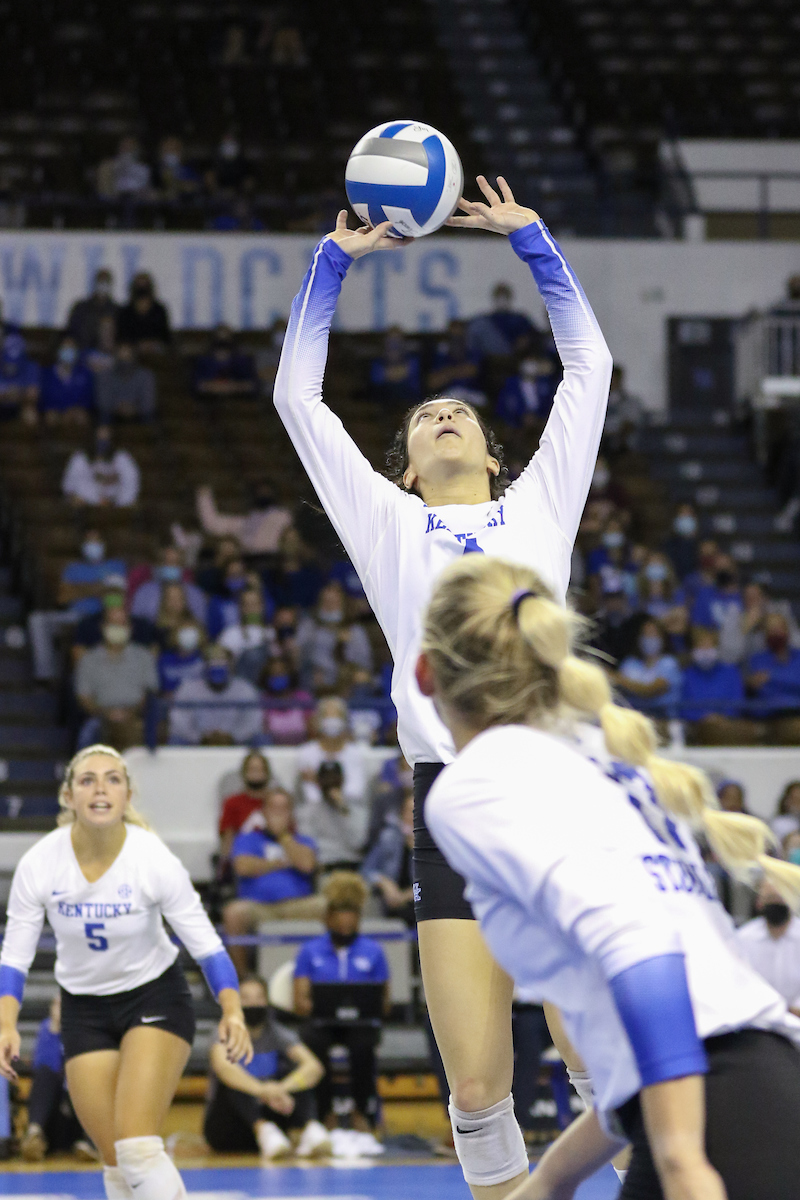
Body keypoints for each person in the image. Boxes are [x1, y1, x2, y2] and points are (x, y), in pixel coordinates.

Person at [273, 175, 612, 1197]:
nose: (443, 415)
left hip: (552, 787)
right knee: (473, 1085)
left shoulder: (540, 506)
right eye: (425, 417)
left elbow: (588, 366)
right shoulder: (387, 524)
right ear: (409, 470)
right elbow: (298, 400)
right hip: (448, 800)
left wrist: (535, 244)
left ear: (494, 459)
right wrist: (330, 267)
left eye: (458, 410)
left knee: (598, 1058)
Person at [416, 552, 800, 1199]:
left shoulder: (477, 783)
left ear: (424, 672)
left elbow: (640, 943)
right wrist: (553, 1179)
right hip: (760, 1086)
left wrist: (681, 1159)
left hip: (714, 1120)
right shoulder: (605, 757)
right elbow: (666, 1031)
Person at [0, 744, 251, 1200]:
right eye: (88, 780)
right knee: (115, 1163)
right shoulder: (40, 863)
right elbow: (15, 954)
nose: (100, 789)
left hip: (154, 998)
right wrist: (5, 1023)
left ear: (127, 795)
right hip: (84, 1010)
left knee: (137, 1149)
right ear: (68, 796)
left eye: (112, 779)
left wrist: (232, 1010)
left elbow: (207, 945)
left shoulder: (151, 858)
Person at [293, 873, 389, 1131]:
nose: (345, 919)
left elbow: (383, 1002)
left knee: (363, 1045)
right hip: (323, 1023)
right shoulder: (309, 951)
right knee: (313, 1041)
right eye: (339, 913)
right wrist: (322, 1006)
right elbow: (300, 1001)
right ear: (328, 916)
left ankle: (361, 1112)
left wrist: (366, 1007)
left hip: (359, 1024)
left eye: (351, 913)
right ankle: (324, 1113)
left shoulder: (374, 951)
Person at [204, 974, 331, 1159]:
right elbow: (224, 1068)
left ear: (267, 1001)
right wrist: (262, 1090)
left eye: (259, 998)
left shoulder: (277, 1033)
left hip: (275, 1122)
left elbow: (314, 1067)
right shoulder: (224, 1032)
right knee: (234, 1078)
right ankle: (262, 1129)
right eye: (246, 998)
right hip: (229, 1128)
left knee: (297, 1073)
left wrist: (282, 1088)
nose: (253, 1004)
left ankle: (311, 1128)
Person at [223, 786, 324, 977]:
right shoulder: (247, 839)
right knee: (233, 913)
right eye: (273, 808)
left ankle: (322, 973)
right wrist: (280, 863)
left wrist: (283, 836)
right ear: (263, 812)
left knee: (328, 906)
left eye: (283, 809)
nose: (278, 814)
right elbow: (243, 866)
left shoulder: (303, 840)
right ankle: (243, 979)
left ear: (291, 814)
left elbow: (306, 864)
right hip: (259, 907)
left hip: (298, 904)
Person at [19, 993, 94, 1162]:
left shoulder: (87, 1030)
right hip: (53, 1118)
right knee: (45, 1074)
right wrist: (55, 1031)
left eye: (64, 1005)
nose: (61, 1009)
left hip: (78, 1116)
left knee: (79, 1079)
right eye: (57, 1005)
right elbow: (43, 1066)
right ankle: (34, 1134)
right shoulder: (47, 1028)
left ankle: (91, 1143)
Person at [75, 606, 158, 750]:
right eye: (113, 623)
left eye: (122, 624)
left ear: (130, 628)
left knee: (141, 730)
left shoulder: (144, 657)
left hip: (136, 715)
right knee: (88, 733)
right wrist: (106, 714)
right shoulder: (88, 659)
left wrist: (129, 713)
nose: (118, 628)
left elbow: (150, 692)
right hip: (100, 717)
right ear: (103, 627)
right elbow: (84, 697)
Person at [169, 644, 263, 747]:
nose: (218, 666)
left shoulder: (245, 689)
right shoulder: (187, 688)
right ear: (205, 665)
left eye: (222, 662)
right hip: (196, 743)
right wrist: (200, 737)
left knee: (260, 738)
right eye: (213, 662)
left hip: (235, 742)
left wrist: (232, 737)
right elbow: (179, 721)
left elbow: (253, 721)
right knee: (176, 739)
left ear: (231, 665)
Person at [679, 626, 759, 745]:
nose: (705, 651)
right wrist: (703, 718)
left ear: (717, 648)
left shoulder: (731, 672)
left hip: (728, 724)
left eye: (709, 646)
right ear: (693, 650)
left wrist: (721, 718)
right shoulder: (686, 675)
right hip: (695, 727)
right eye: (701, 646)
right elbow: (682, 706)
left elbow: (737, 703)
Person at [735, 880, 800, 1016]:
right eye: (770, 898)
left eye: (780, 898)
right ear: (759, 903)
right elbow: (738, 980)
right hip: (758, 1016)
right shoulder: (744, 938)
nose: (776, 903)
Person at [296, 581, 372, 691]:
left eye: (333, 602)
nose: (330, 605)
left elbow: (365, 662)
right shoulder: (309, 626)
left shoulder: (355, 630)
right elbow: (299, 658)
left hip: (348, 685)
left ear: (342, 602)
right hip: (315, 681)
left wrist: (353, 672)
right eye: (327, 601)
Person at [197, 481, 292, 559]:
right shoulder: (246, 521)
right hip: (249, 561)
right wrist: (204, 495)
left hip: (276, 562)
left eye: (266, 491)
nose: (263, 493)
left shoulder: (283, 516)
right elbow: (213, 525)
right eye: (260, 491)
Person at [361, 789, 416, 925]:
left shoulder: (432, 843)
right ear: (401, 814)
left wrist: (408, 894)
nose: (412, 817)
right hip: (390, 900)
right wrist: (384, 883)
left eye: (416, 812)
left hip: (419, 899)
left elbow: (434, 880)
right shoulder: (388, 837)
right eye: (408, 811)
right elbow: (366, 870)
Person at [614, 619, 682, 722]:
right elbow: (618, 689)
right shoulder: (630, 663)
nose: (649, 638)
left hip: (663, 718)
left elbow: (650, 691)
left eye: (653, 634)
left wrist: (619, 679)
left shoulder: (669, 663)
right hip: (632, 718)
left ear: (662, 638)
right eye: (645, 634)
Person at [746, 612, 800, 742]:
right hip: (772, 717)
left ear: (787, 630)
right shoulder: (757, 660)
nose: (775, 633)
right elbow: (763, 690)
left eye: (778, 628)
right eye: (771, 629)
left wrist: (771, 676)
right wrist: (791, 685)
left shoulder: (798, 656)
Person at [62, 424, 140, 508]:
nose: (102, 442)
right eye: (99, 438)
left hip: (116, 505)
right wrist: (97, 500)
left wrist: (119, 502)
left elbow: (131, 482)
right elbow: (71, 485)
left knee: (132, 505)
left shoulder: (122, 457)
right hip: (88, 505)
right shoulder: (80, 457)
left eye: (106, 438)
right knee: (76, 500)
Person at [130, 542, 207, 626]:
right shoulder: (144, 591)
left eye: (175, 562)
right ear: (158, 564)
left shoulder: (195, 594)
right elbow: (135, 620)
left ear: (182, 566)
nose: (170, 566)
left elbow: (200, 624)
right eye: (166, 561)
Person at [218, 751, 273, 863]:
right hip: (243, 858)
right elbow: (227, 839)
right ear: (244, 773)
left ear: (267, 773)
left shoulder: (277, 801)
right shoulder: (232, 803)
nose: (255, 774)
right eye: (252, 769)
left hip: (273, 857)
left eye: (259, 769)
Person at [466, 281, 539, 359]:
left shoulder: (519, 319)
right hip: (489, 357)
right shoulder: (486, 320)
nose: (502, 300)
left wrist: (524, 341)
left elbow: (533, 336)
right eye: (499, 297)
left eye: (504, 296)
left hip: (515, 355)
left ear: (509, 298)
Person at [95, 342, 156, 423]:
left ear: (134, 357)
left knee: (149, 415)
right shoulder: (104, 375)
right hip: (112, 414)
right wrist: (118, 407)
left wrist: (134, 409)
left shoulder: (146, 375)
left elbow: (148, 404)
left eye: (128, 358)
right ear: (116, 357)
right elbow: (103, 402)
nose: (125, 362)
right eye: (122, 358)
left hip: (139, 414)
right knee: (103, 415)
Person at [192, 325, 257, 400]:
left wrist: (233, 386)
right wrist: (214, 387)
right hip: (208, 401)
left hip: (238, 400)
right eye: (219, 343)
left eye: (226, 343)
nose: (222, 348)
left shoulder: (242, 361)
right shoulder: (204, 361)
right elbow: (196, 385)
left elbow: (252, 385)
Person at [40, 336, 94, 424]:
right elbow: (45, 400)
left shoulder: (84, 374)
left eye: (71, 348)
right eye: (65, 348)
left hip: (76, 412)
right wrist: (61, 412)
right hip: (54, 413)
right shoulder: (47, 374)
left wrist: (73, 411)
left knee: (81, 417)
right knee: (50, 417)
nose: (68, 351)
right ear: (57, 351)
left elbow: (87, 400)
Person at [66, 269, 120, 351]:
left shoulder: (116, 310)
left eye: (105, 282)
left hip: (107, 352)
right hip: (81, 349)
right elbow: (71, 331)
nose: (102, 285)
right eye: (100, 282)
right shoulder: (81, 307)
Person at [117, 273, 171, 352]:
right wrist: (138, 344)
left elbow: (166, 336)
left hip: (156, 349)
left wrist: (152, 344)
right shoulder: (126, 312)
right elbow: (122, 337)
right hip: (132, 350)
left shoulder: (159, 310)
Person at [368, 327, 421, 407]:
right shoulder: (377, 363)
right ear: (384, 344)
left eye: (397, 343)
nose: (394, 347)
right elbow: (377, 378)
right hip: (382, 407)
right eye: (390, 343)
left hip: (410, 404)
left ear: (404, 344)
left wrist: (390, 373)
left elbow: (409, 374)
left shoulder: (413, 360)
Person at [157, 620, 206, 696]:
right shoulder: (164, 659)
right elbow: (159, 688)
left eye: (192, 632)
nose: (188, 636)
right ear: (175, 634)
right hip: (170, 701)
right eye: (184, 631)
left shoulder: (204, 658)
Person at [0, 329, 40, 423]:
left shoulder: (31, 366)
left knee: (31, 416)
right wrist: (7, 395)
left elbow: (33, 395)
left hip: (20, 406)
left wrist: (18, 394)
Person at [661, 503, 699, 582]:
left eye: (688, 514)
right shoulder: (668, 544)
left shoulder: (704, 544)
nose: (685, 517)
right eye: (682, 514)